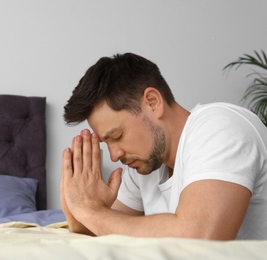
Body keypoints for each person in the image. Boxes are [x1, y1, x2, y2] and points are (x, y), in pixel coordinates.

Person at [60, 52, 267, 240]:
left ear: (152, 102)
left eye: (118, 135)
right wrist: (77, 206)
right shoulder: (145, 165)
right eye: (107, 143)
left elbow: (201, 239)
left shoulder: (220, 127)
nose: (115, 156)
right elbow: (103, 228)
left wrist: (91, 211)